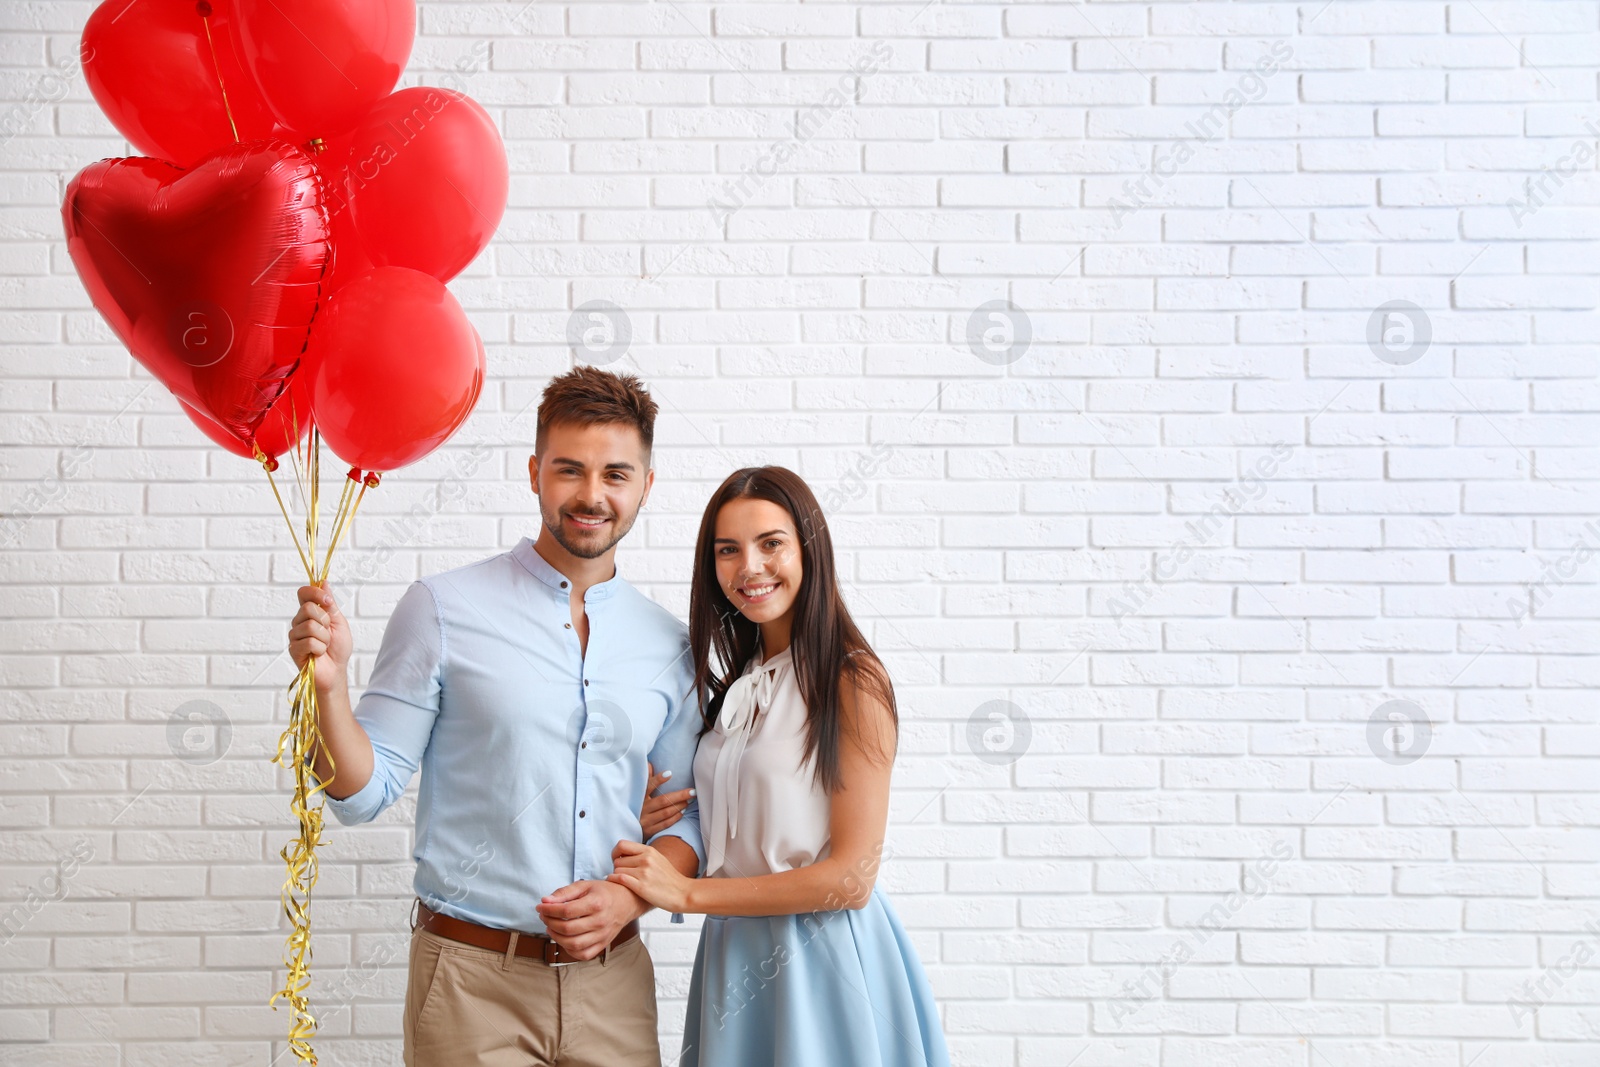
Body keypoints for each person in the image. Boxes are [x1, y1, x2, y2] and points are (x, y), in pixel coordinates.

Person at [286, 367, 705, 1067]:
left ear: (646, 485)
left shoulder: (670, 645)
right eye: (570, 469)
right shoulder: (443, 609)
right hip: (470, 985)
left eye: (615, 474)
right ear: (536, 472)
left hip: (615, 987)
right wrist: (329, 688)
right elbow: (360, 794)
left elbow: (687, 817)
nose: (592, 495)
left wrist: (627, 899)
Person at [609, 466, 951, 1067]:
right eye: (728, 550)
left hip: (820, 960)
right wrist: (642, 819)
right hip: (733, 952)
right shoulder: (737, 688)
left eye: (771, 543)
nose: (750, 567)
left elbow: (852, 878)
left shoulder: (851, 681)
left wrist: (688, 894)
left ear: (808, 550)